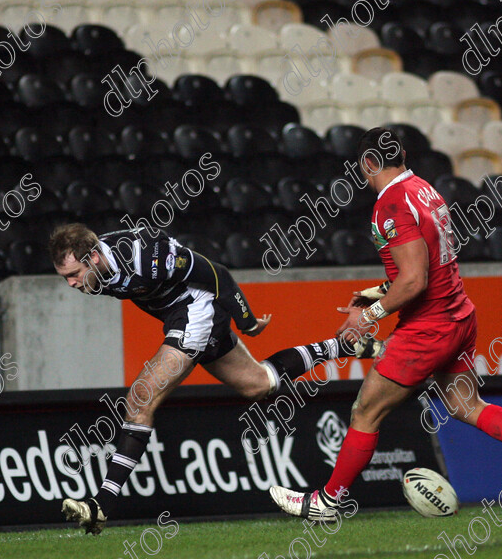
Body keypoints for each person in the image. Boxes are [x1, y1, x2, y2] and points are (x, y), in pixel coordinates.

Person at [269, 127, 502, 522]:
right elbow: (427, 267)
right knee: (467, 405)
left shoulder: (390, 202)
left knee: (365, 411)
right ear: (403, 155)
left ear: (368, 163)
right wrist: (375, 293)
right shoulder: (425, 188)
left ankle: (328, 501)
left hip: (428, 327)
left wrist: (367, 318)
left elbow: (414, 280)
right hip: (458, 314)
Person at [48, 223, 380, 534]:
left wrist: (246, 320)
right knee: (259, 384)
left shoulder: (144, 256)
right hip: (181, 315)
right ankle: (344, 345)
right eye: (65, 277)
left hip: (196, 310)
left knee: (140, 399)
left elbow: (215, 273)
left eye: (74, 274)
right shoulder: (95, 271)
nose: (72, 284)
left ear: (92, 256)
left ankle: (100, 504)